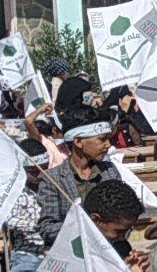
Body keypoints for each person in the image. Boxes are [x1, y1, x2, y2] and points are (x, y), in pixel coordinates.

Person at [36, 105, 121, 248]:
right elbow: (47, 228)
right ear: (78, 142)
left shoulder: (109, 171)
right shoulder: (52, 179)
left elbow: (123, 214)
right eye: (102, 139)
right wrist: (86, 228)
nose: (108, 145)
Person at [3, 139, 54, 272]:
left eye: (43, 169)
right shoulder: (12, 191)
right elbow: (10, 220)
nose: (39, 175)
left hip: (57, 250)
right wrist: (42, 224)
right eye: (33, 171)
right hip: (28, 254)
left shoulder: (57, 184)